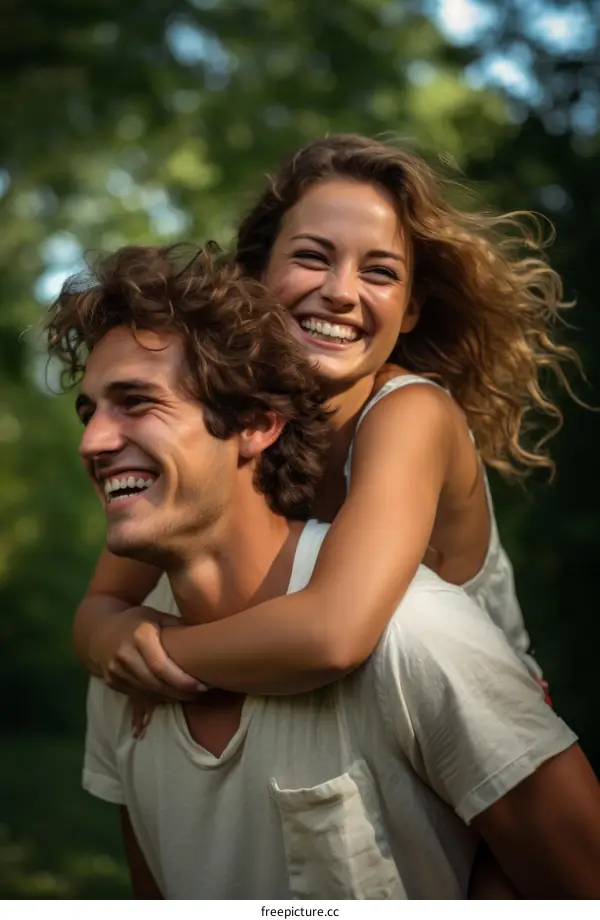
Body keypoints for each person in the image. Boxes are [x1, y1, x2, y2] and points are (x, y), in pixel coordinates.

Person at [47, 244, 600, 899]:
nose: (92, 442)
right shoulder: (123, 664)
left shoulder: (414, 634)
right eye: (90, 412)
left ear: (254, 423)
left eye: (136, 403)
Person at [72, 135, 578, 706]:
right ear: (255, 275)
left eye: (380, 272)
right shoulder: (227, 420)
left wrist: (160, 653)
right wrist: (111, 637)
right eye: (312, 257)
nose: (340, 292)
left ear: (411, 309)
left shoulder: (411, 413)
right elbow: (99, 609)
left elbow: (332, 634)